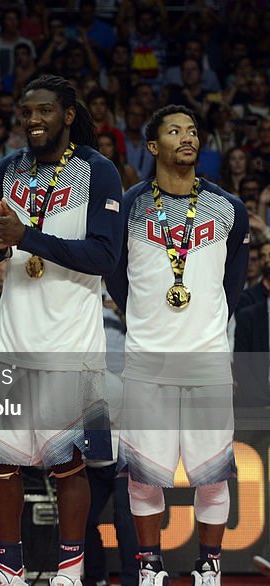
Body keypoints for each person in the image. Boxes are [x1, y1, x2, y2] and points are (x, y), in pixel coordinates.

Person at [0, 74, 123, 586]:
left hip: (70, 342)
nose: (33, 120)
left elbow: (104, 255)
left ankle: (69, 570)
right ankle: (8, 570)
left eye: (43, 111)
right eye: (26, 112)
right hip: (13, 336)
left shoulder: (98, 172)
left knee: (69, 464)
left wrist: (27, 237)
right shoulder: (7, 168)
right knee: (1, 462)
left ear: (66, 114)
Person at [107, 105, 248, 586]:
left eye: (191, 131)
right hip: (147, 360)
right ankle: (150, 566)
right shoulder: (128, 205)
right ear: (153, 146)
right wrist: (144, 318)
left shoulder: (229, 207)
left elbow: (233, 284)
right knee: (145, 473)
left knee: (213, 472)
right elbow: (115, 274)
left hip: (207, 359)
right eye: (173, 131)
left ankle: (209, 564)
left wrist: (207, 328)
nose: (186, 138)